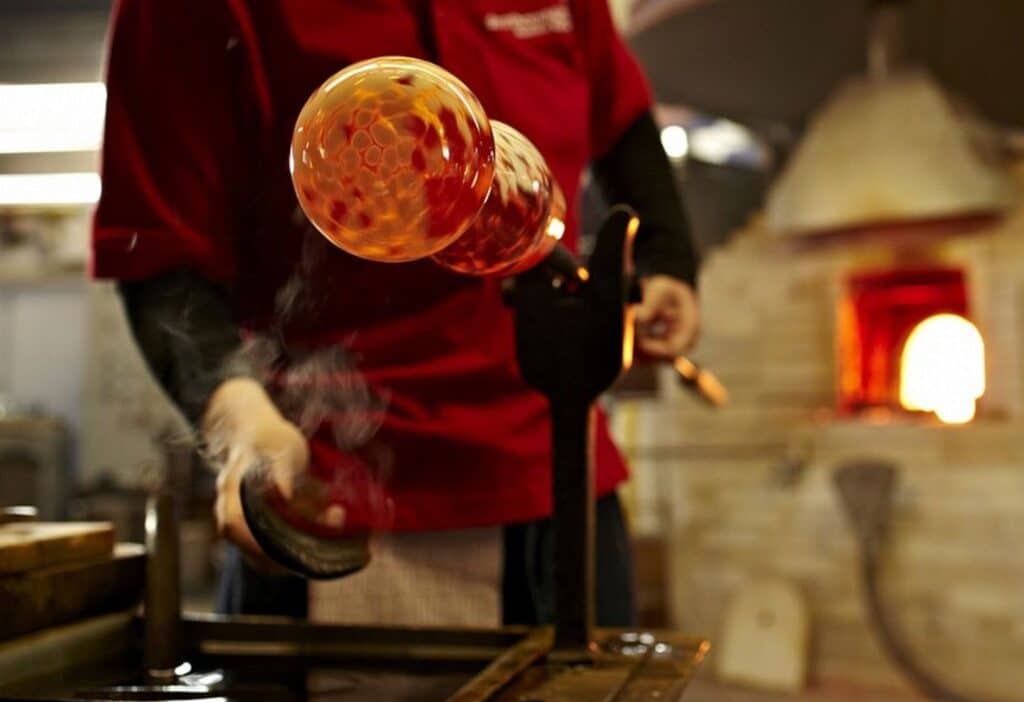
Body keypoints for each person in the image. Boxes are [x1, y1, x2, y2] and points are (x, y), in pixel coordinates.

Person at [93, 0, 701, 627]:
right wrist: (243, 425)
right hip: (329, 494)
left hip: (560, 477)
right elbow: (159, 261)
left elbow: (620, 118)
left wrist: (669, 257)